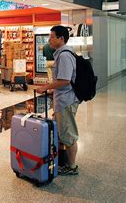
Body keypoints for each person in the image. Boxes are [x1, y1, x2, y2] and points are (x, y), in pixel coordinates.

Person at [37, 25, 79, 176]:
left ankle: (72, 166)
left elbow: (65, 80)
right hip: (62, 99)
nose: (49, 40)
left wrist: (46, 87)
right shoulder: (60, 54)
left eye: (52, 37)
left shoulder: (65, 56)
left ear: (61, 38)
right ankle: (65, 161)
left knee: (68, 134)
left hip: (66, 100)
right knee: (63, 132)